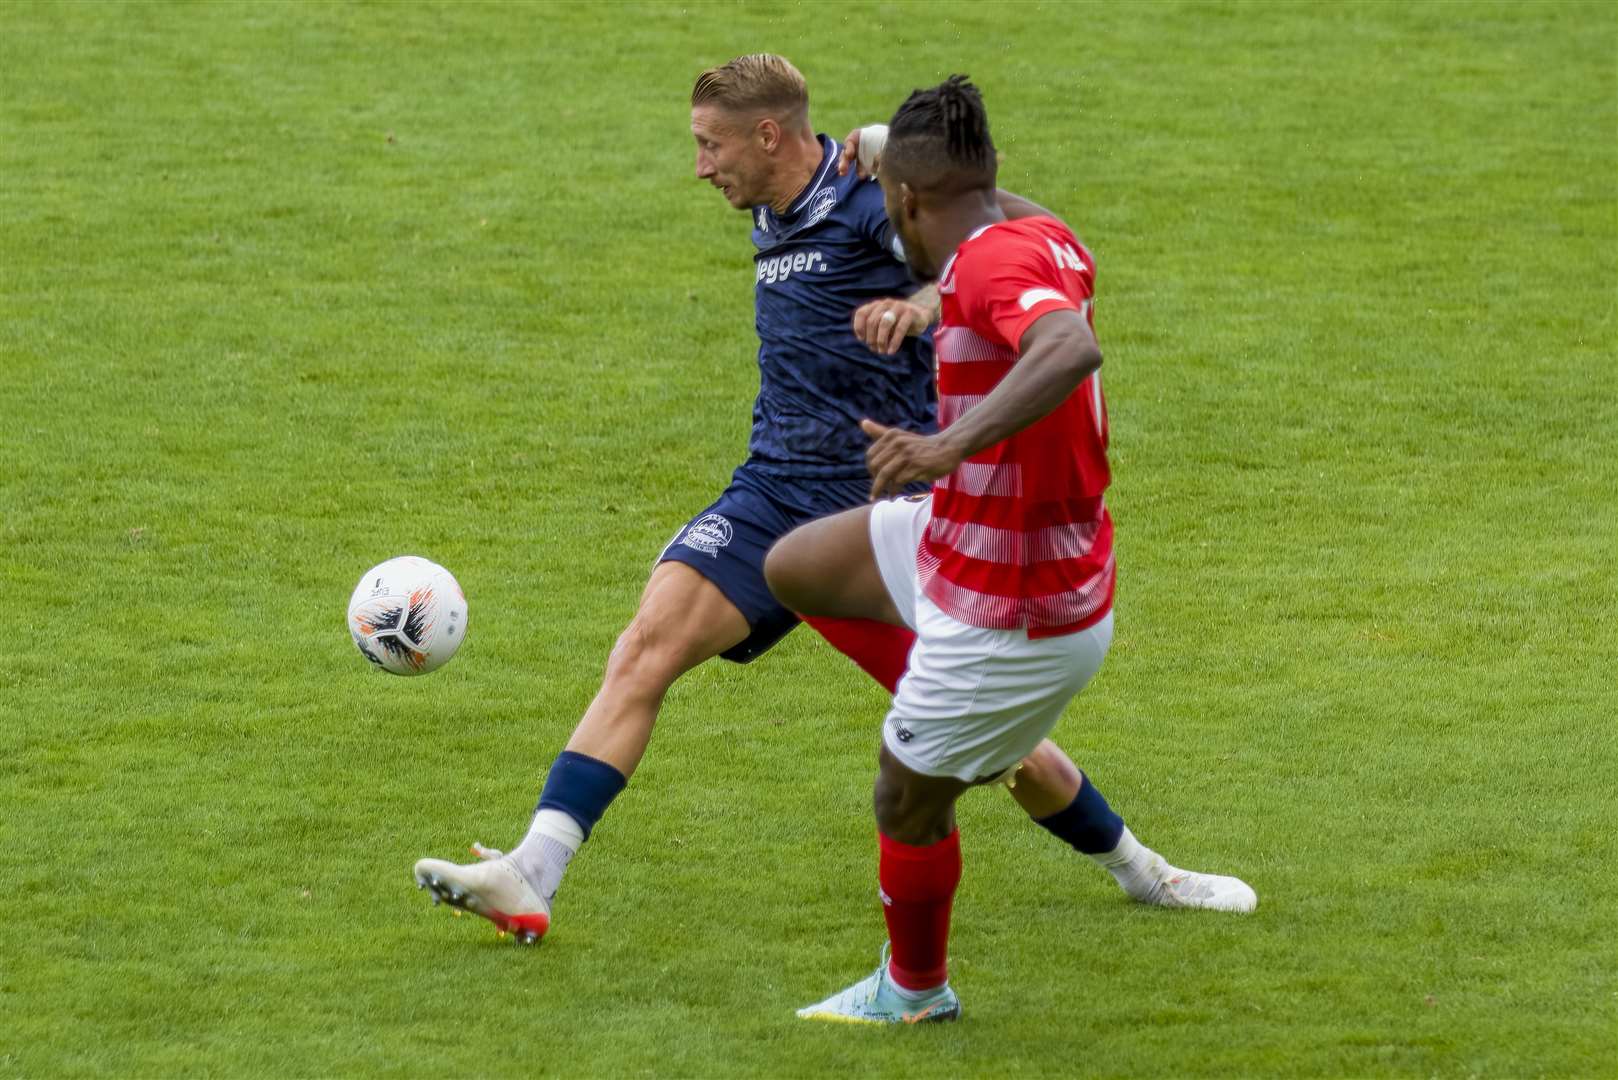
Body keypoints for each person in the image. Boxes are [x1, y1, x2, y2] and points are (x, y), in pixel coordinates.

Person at [412, 55, 1246, 946]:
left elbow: (1004, 236)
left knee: (999, 753)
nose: (701, 167)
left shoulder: (867, 198)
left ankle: (1142, 871)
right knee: (645, 647)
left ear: (769, 134)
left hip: (883, 522)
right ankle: (530, 871)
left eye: (711, 146)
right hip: (772, 492)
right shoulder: (773, 208)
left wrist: (927, 306)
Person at [767, 75, 1256, 1025]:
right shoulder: (1032, 236)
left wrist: (943, 445)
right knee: (796, 567)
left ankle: (914, 993)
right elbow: (1025, 230)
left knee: (903, 800)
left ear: (906, 200)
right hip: (960, 539)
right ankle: (966, 729)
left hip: (1013, 603)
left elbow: (1068, 346)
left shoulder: (988, 268)